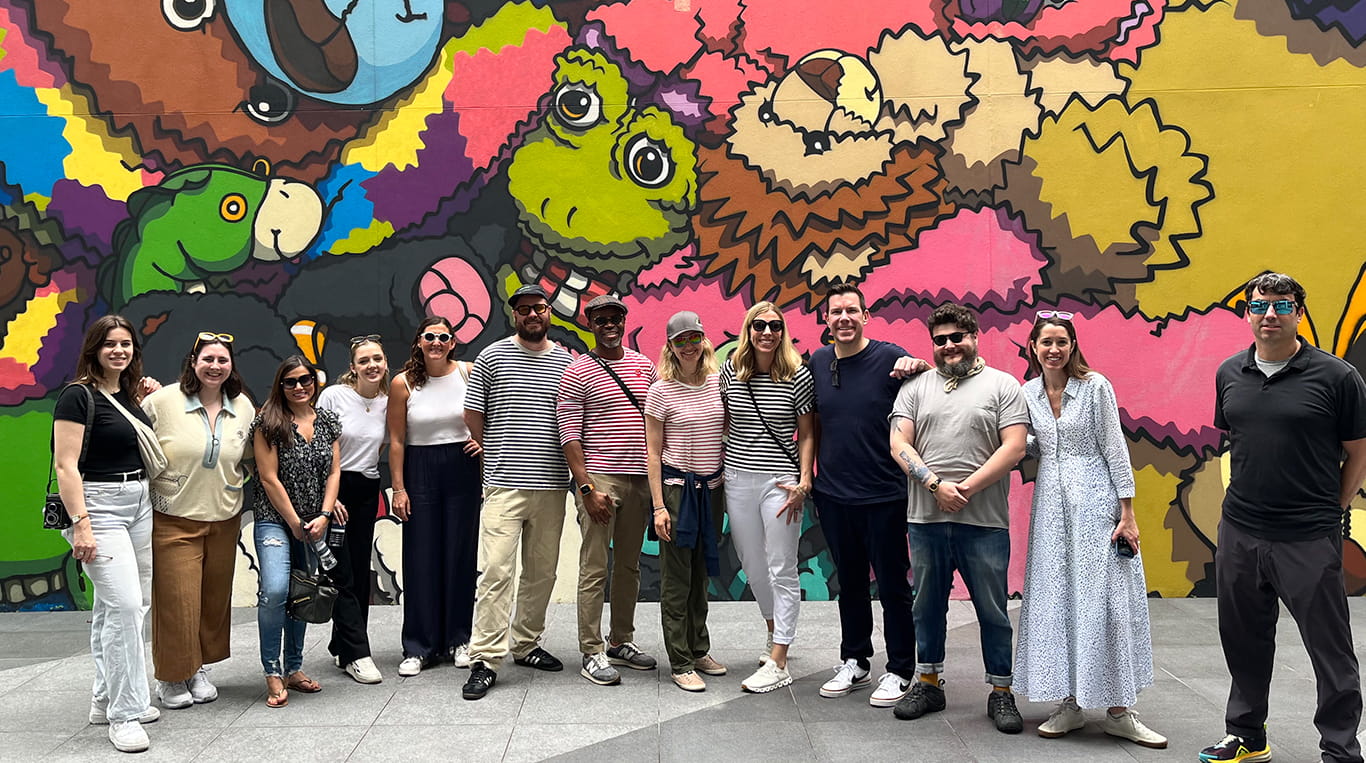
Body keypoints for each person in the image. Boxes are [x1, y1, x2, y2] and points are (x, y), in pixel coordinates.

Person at [1202, 272, 1366, 763]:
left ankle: (1340, 749)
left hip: (1307, 536)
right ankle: (1247, 735)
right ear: (1248, 313)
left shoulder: (1337, 377)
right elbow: (1237, 441)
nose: (1269, 313)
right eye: (1259, 305)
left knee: (1329, 649)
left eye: (1281, 304)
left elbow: (1357, 454)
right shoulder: (1230, 373)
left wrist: (1330, 511)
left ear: (1298, 311)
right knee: (1243, 638)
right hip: (1241, 531)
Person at [1012, 313, 1166, 748]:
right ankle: (1070, 703)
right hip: (1051, 512)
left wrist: (1127, 512)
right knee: (1056, 598)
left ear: (1073, 345)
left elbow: (1114, 448)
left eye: (1061, 341)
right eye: (1046, 342)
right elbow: (1032, 446)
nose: (1054, 349)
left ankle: (1120, 709)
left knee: (1106, 600)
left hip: (1097, 503)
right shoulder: (1028, 394)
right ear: (1033, 347)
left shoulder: (1095, 386)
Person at [888, 303, 1029, 733]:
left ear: (974, 337)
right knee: (926, 605)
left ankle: (1001, 693)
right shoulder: (915, 388)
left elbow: (1015, 447)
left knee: (992, 608)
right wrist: (934, 485)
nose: (949, 346)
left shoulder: (1003, 386)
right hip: (926, 519)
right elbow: (898, 443)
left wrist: (965, 489)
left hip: (983, 520)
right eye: (940, 340)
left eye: (957, 338)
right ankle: (928, 682)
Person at [808, 283, 926, 708]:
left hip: (884, 495)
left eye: (851, 311)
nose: (843, 318)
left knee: (894, 585)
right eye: (835, 312)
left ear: (865, 315)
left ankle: (900, 670)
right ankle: (855, 659)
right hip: (835, 496)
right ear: (826, 319)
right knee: (851, 584)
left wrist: (918, 364)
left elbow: (926, 387)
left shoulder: (891, 357)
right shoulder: (819, 361)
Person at [462, 285, 575, 700]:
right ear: (515, 316)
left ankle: (526, 644)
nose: (532, 315)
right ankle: (485, 658)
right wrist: (497, 449)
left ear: (548, 313)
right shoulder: (491, 357)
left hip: (551, 486)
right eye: (523, 309)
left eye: (538, 308)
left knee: (542, 573)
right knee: (495, 572)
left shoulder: (566, 361)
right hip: (505, 485)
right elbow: (474, 416)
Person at [52, 315, 159, 752]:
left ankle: (103, 697)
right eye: (110, 344)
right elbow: (66, 465)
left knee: (123, 606)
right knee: (126, 607)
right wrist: (82, 525)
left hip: (138, 502)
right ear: (94, 348)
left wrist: (143, 397)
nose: (119, 351)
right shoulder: (76, 397)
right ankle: (125, 713)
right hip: (97, 507)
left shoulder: (126, 395)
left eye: (126, 344)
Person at [142, 332, 255, 711]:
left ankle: (196, 668)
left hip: (224, 517)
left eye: (222, 360)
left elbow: (250, 457)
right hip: (174, 517)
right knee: (178, 599)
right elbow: (133, 439)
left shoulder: (242, 406)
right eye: (207, 359)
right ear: (193, 362)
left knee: (211, 599)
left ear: (231, 365)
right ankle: (171, 675)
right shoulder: (162, 401)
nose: (215, 366)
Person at [556, 295, 659, 687]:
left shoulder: (643, 366)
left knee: (629, 566)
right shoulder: (577, 372)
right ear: (591, 324)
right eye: (601, 319)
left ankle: (621, 640)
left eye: (615, 317)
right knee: (595, 566)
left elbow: (657, 418)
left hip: (638, 481)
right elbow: (569, 435)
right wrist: (586, 488)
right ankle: (591, 650)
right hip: (600, 480)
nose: (609, 324)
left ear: (624, 320)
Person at [721, 302, 815, 694]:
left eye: (775, 326)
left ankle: (779, 659)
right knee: (752, 563)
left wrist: (805, 480)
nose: (767, 332)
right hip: (737, 478)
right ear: (749, 329)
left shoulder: (797, 375)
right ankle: (775, 630)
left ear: (783, 331)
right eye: (759, 325)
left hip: (780, 480)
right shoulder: (732, 371)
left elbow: (807, 432)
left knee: (782, 566)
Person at [388, 317, 482, 677]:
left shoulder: (468, 373)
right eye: (430, 336)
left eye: (444, 337)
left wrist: (481, 440)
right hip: (420, 468)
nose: (437, 342)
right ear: (419, 342)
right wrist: (399, 488)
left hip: (461, 467)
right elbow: (396, 440)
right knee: (421, 556)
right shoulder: (403, 383)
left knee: (460, 553)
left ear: (453, 342)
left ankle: (460, 639)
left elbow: (485, 416)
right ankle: (419, 646)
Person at [250, 356, 345, 708]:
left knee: (302, 594)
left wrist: (323, 514)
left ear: (314, 381)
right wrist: (293, 521)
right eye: (290, 382)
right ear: (280, 386)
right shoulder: (268, 422)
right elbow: (267, 477)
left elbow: (335, 472)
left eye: (305, 379)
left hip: (314, 522)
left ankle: (294, 668)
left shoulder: (328, 421)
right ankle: (272, 671)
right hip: (275, 519)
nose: (299, 387)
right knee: (275, 590)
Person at [645, 310, 728, 692]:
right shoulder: (660, 391)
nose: (689, 346)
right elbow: (652, 452)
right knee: (677, 580)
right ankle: (679, 661)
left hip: (712, 492)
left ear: (703, 340)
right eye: (681, 341)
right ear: (670, 347)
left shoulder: (718, 384)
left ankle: (698, 648)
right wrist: (659, 506)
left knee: (700, 575)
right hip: (678, 493)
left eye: (694, 338)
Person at [317, 334, 392, 684]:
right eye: (364, 361)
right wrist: (330, 498)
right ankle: (357, 653)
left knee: (359, 570)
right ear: (353, 367)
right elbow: (317, 446)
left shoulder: (388, 402)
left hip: (366, 488)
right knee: (342, 572)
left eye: (376, 359)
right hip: (337, 488)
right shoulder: (334, 396)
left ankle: (340, 644)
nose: (371, 365)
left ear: (385, 362)